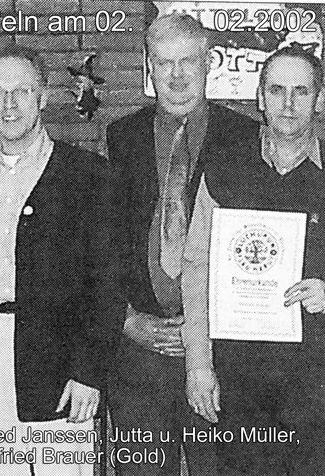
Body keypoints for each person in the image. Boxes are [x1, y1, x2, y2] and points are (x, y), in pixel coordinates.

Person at [0, 44, 123, 476]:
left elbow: (107, 284)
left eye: (22, 91)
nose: (9, 105)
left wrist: (89, 372)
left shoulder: (88, 176)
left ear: (42, 97)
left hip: (59, 361)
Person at [105, 13, 259, 476]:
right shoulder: (121, 137)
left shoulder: (246, 137)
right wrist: (125, 319)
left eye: (188, 61)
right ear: (149, 67)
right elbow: (105, 243)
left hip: (218, 355)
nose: (176, 76)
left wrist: (205, 331)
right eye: (164, 63)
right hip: (140, 352)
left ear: (209, 63)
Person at [182, 44, 325, 475]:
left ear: (319, 99)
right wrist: (199, 364)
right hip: (238, 380)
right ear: (260, 97)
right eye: (277, 90)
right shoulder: (224, 168)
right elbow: (196, 268)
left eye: (301, 91)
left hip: (316, 380)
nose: (288, 103)